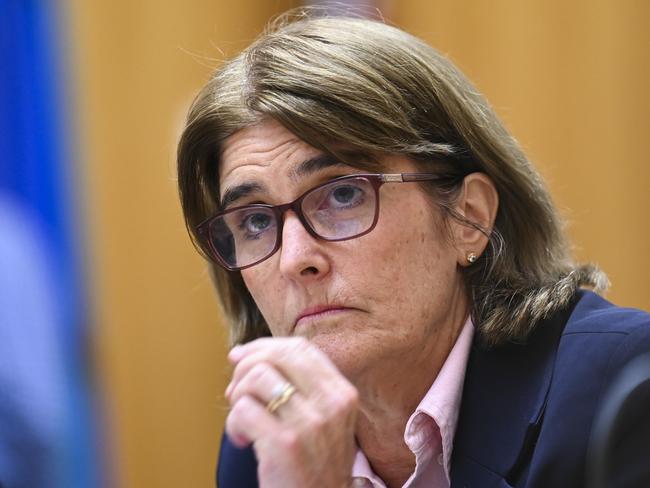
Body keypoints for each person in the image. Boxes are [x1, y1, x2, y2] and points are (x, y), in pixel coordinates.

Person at [176, 12, 650, 488]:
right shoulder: (271, 442)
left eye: (343, 194)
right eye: (256, 221)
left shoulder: (624, 388)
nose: (296, 259)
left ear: (469, 217)